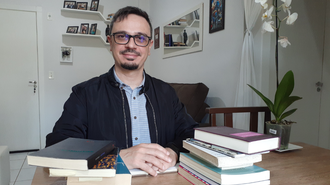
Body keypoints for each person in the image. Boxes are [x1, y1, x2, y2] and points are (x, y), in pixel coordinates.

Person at [46, 6, 198, 177]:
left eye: (140, 38)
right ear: (110, 42)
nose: (131, 45)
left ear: (149, 46)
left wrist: (174, 151)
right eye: (122, 36)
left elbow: (192, 134)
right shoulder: (84, 94)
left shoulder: (167, 93)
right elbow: (58, 146)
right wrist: (117, 157)